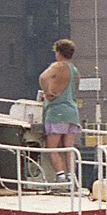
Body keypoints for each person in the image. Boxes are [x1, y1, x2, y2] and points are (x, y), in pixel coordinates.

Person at [38, 38, 81, 184]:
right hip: (72, 113)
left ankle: (60, 176)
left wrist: (47, 92)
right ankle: (71, 176)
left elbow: (43, 77)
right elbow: (75, 90)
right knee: (69, 149)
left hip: (57, 112)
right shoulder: (74, 70)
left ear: (58, 52)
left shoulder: (58, 66)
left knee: (52, 148)